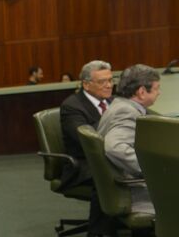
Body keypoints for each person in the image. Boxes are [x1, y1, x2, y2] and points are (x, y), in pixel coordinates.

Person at [97, 64, 161, 213]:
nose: (159, 93)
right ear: (142, 92)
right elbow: (115, 148)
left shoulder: (119, 104)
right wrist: (153, 170)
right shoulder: (126, 112)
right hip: (135, 191)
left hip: (121, 185)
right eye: (157, 88)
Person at [59, 60, 113, 190]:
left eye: (111, 80)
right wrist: (115, 119)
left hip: (113, 155)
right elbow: (86, 138)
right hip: (87, 164)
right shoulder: (71, 106)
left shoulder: (114, 101)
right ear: (86, 85)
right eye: (102, 82)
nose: (109, 85)